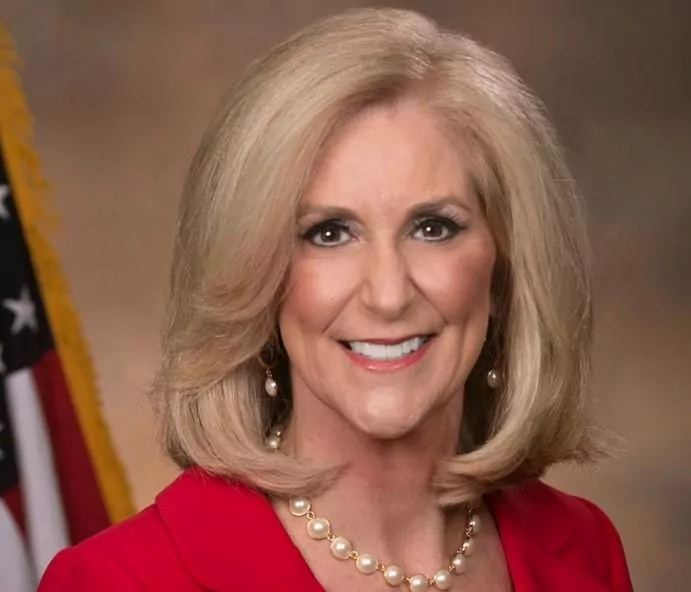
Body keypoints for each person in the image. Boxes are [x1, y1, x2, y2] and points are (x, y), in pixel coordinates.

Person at [38, 7, 633, 592]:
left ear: (504, 270)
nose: (387, 294)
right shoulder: (117, 581)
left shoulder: (585, 549)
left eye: (433, 228)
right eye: (329, 234)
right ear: (255, 277)